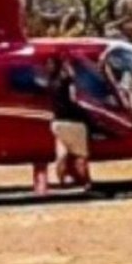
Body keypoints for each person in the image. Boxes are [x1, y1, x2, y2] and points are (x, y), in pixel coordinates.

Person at [46, 54, 92, 188]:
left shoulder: (50, 82)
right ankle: (86, 182)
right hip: (73, 123)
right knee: (80, 156)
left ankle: (61, 183)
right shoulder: (65, 80)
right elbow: (73, 96)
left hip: (57, 124)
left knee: (62, 155)